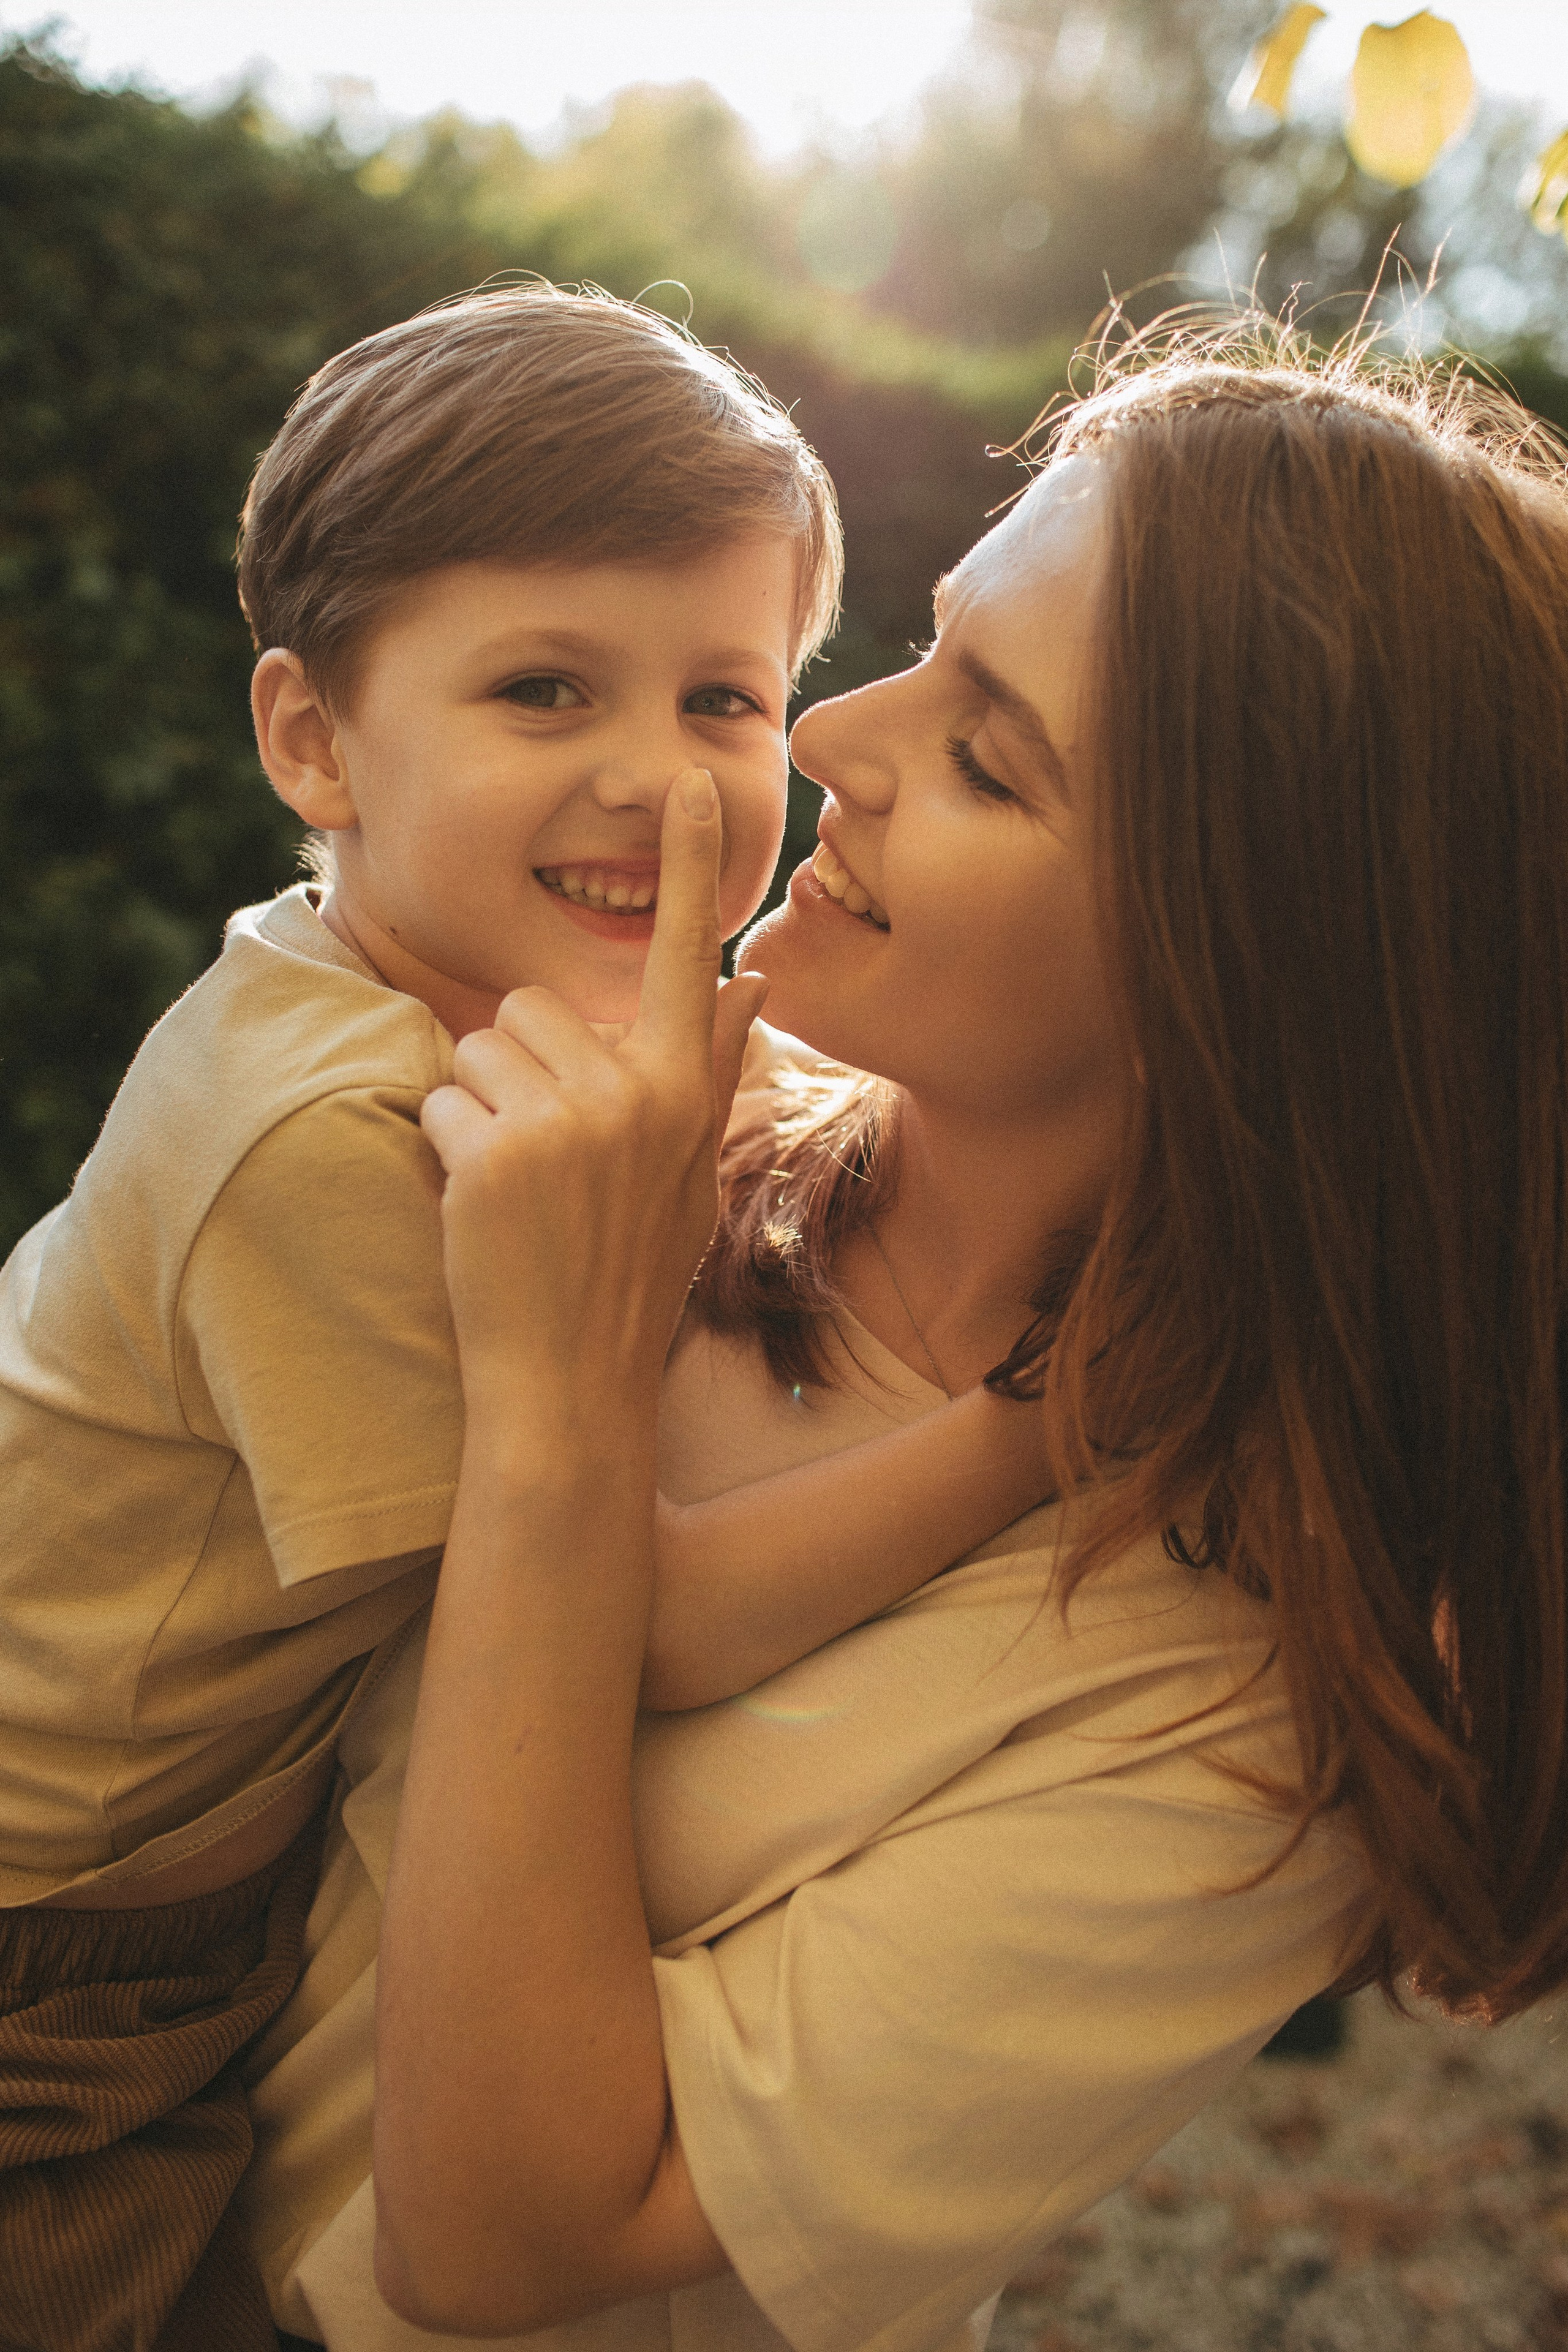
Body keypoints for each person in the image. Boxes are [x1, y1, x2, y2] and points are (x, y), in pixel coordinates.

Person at [235, 329, 1568, 2352]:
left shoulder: (1225, 1722)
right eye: (930, 645)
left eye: (988, 755)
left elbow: (499, 2243)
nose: (830, 733)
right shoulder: (615, 1123)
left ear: (1242, 968)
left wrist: (555, 1423)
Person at [0, 285, 1063, 2352]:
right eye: (546, 690)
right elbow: (616, 1615)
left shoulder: (462, 996)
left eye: (724, 702)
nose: (659, 786)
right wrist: (1033, 1431)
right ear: (313, 737)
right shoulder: (326, 1138)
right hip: (55, 1952)